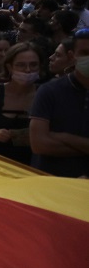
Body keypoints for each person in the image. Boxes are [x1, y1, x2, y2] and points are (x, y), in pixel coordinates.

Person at [29, 28, 89, 177]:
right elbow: (39, 144)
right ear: (72, 56)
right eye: (85, 53)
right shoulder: (49, 91)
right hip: (51, 183)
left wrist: (64, 137)